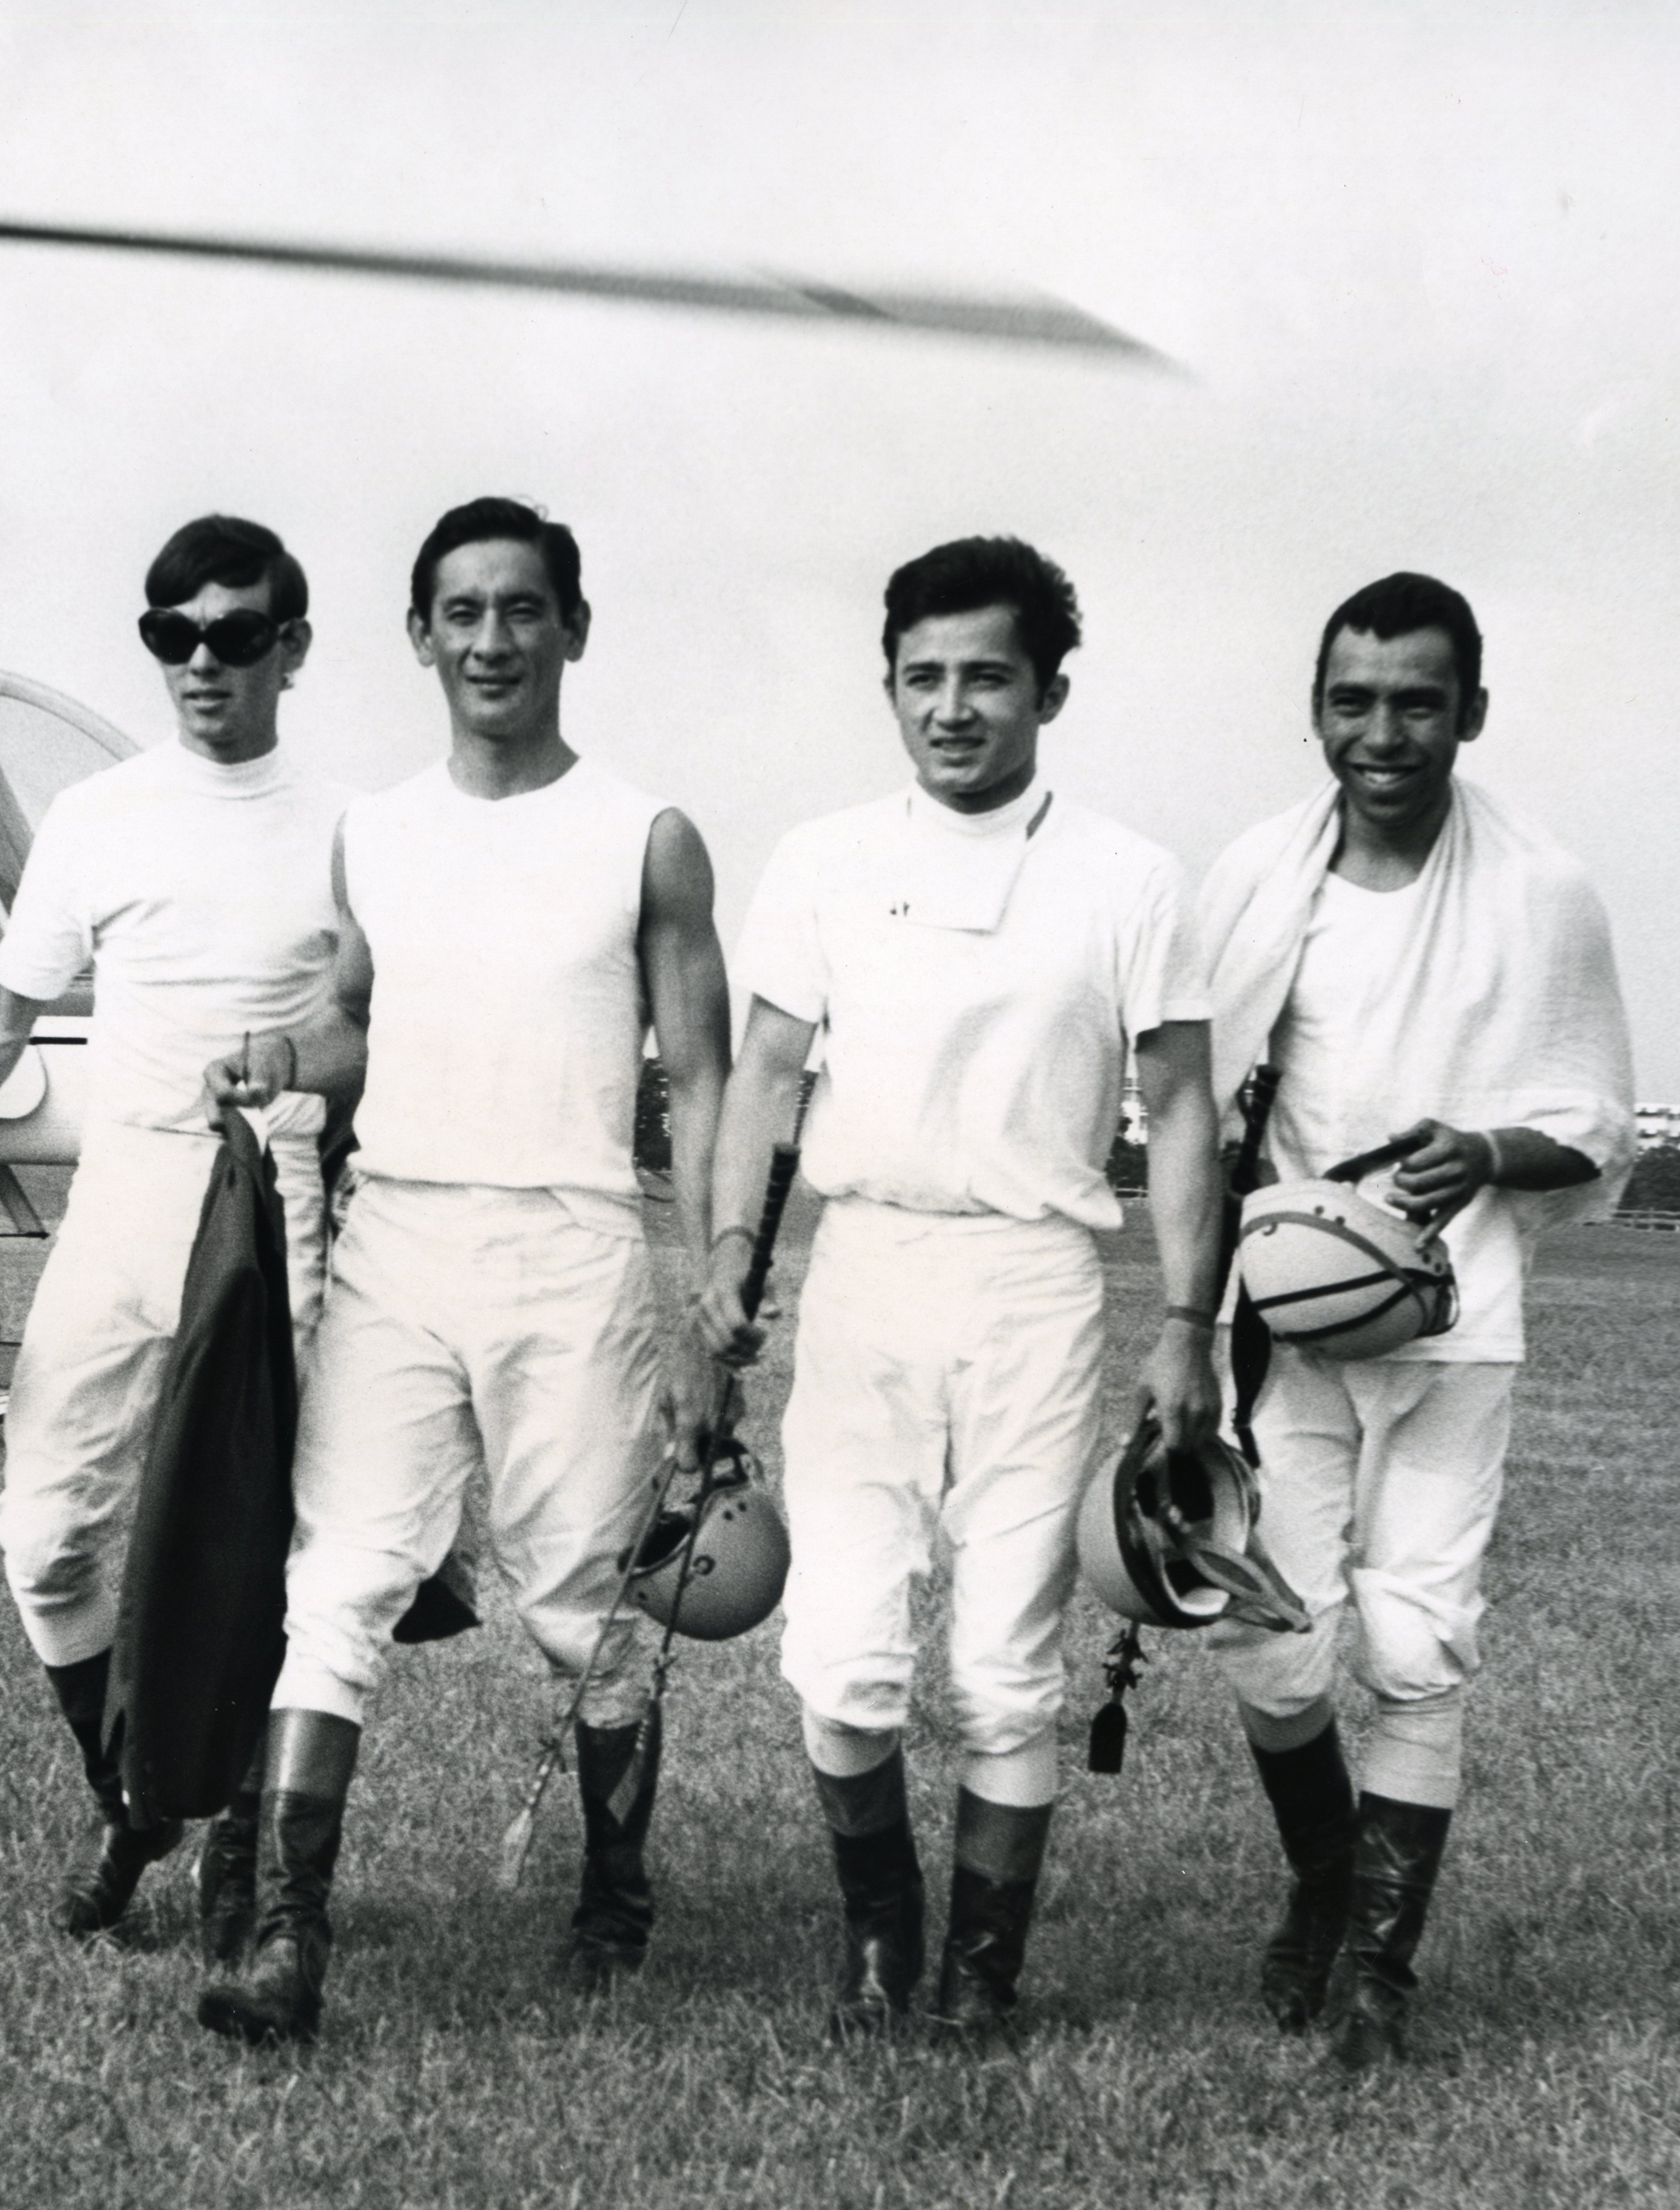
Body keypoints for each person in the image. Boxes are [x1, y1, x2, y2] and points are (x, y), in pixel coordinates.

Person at [193, 496, 732, 2041]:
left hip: (570, 1250)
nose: (492, 639)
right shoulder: (376, 831)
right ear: (420, 636)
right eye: (462, 612)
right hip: (400, 1241)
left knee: (577, 1602)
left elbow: (700, 1077)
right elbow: (360, 1021)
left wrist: (709, 1291)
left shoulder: (645, 836)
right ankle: (288, 1937)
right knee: (338, 1575)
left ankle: (613, 1892)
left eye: (521, 609)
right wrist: (281, 1052)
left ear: (572, 627)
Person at [694, 537, 1223, 2040]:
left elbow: (1183, 1105)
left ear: (1048, 690)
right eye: (919, 677)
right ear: (888, 687)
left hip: (1032, 1286)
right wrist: (726, 1253)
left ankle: (980, 1973)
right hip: (865, 1271)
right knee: (840, 1654)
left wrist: (1187, 1324)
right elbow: (765, 1075)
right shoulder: (824, 859)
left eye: (985, 676)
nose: (950, 707)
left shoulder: (1128, 878)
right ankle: (881, 1935)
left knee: (1002, 1666)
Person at [0, 515, 345, 1954]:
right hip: (123, 1210)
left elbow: (387, 1039)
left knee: (257, 1560)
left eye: (235, 634)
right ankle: (133, 1799)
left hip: (277, 1225)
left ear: (291, 648)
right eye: (172, 635)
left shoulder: (350, 832)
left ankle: (238, 1854)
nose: (202, 661)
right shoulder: (102, 817)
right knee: (46, 1539)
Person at [1197, 573, 1634, 2069]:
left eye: (1414, 703)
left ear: (1469, 712)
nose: (1379, 733)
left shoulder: (1541, 890)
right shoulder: (1257, 880)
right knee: (1263, 1634)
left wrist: (1488, 1149)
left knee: (1415, 1641)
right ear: (1314, 708)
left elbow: (1599, 1118)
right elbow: (1202, 1112)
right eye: (1351, 700)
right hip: (1285, 1326)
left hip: (1456, 1324)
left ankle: (1376, 1975)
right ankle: (1325, 1878)